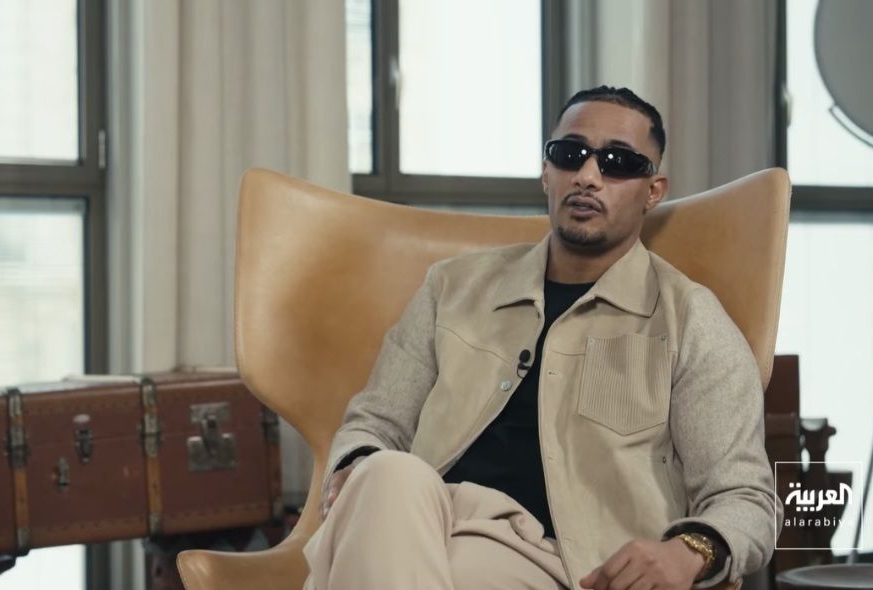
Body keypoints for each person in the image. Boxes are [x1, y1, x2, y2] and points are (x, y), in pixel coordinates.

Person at [301, 86, 782, 590]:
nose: (588, 176)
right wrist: (355, 470)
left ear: (653, 191)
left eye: (617, 162)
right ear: (547, 172)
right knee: (386, 474)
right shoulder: (452, 288)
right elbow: (375, 422)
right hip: (420, 517)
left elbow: (745, 497)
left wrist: (688, 551)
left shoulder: (691, 320)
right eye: (570, 154)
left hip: (558, 560)